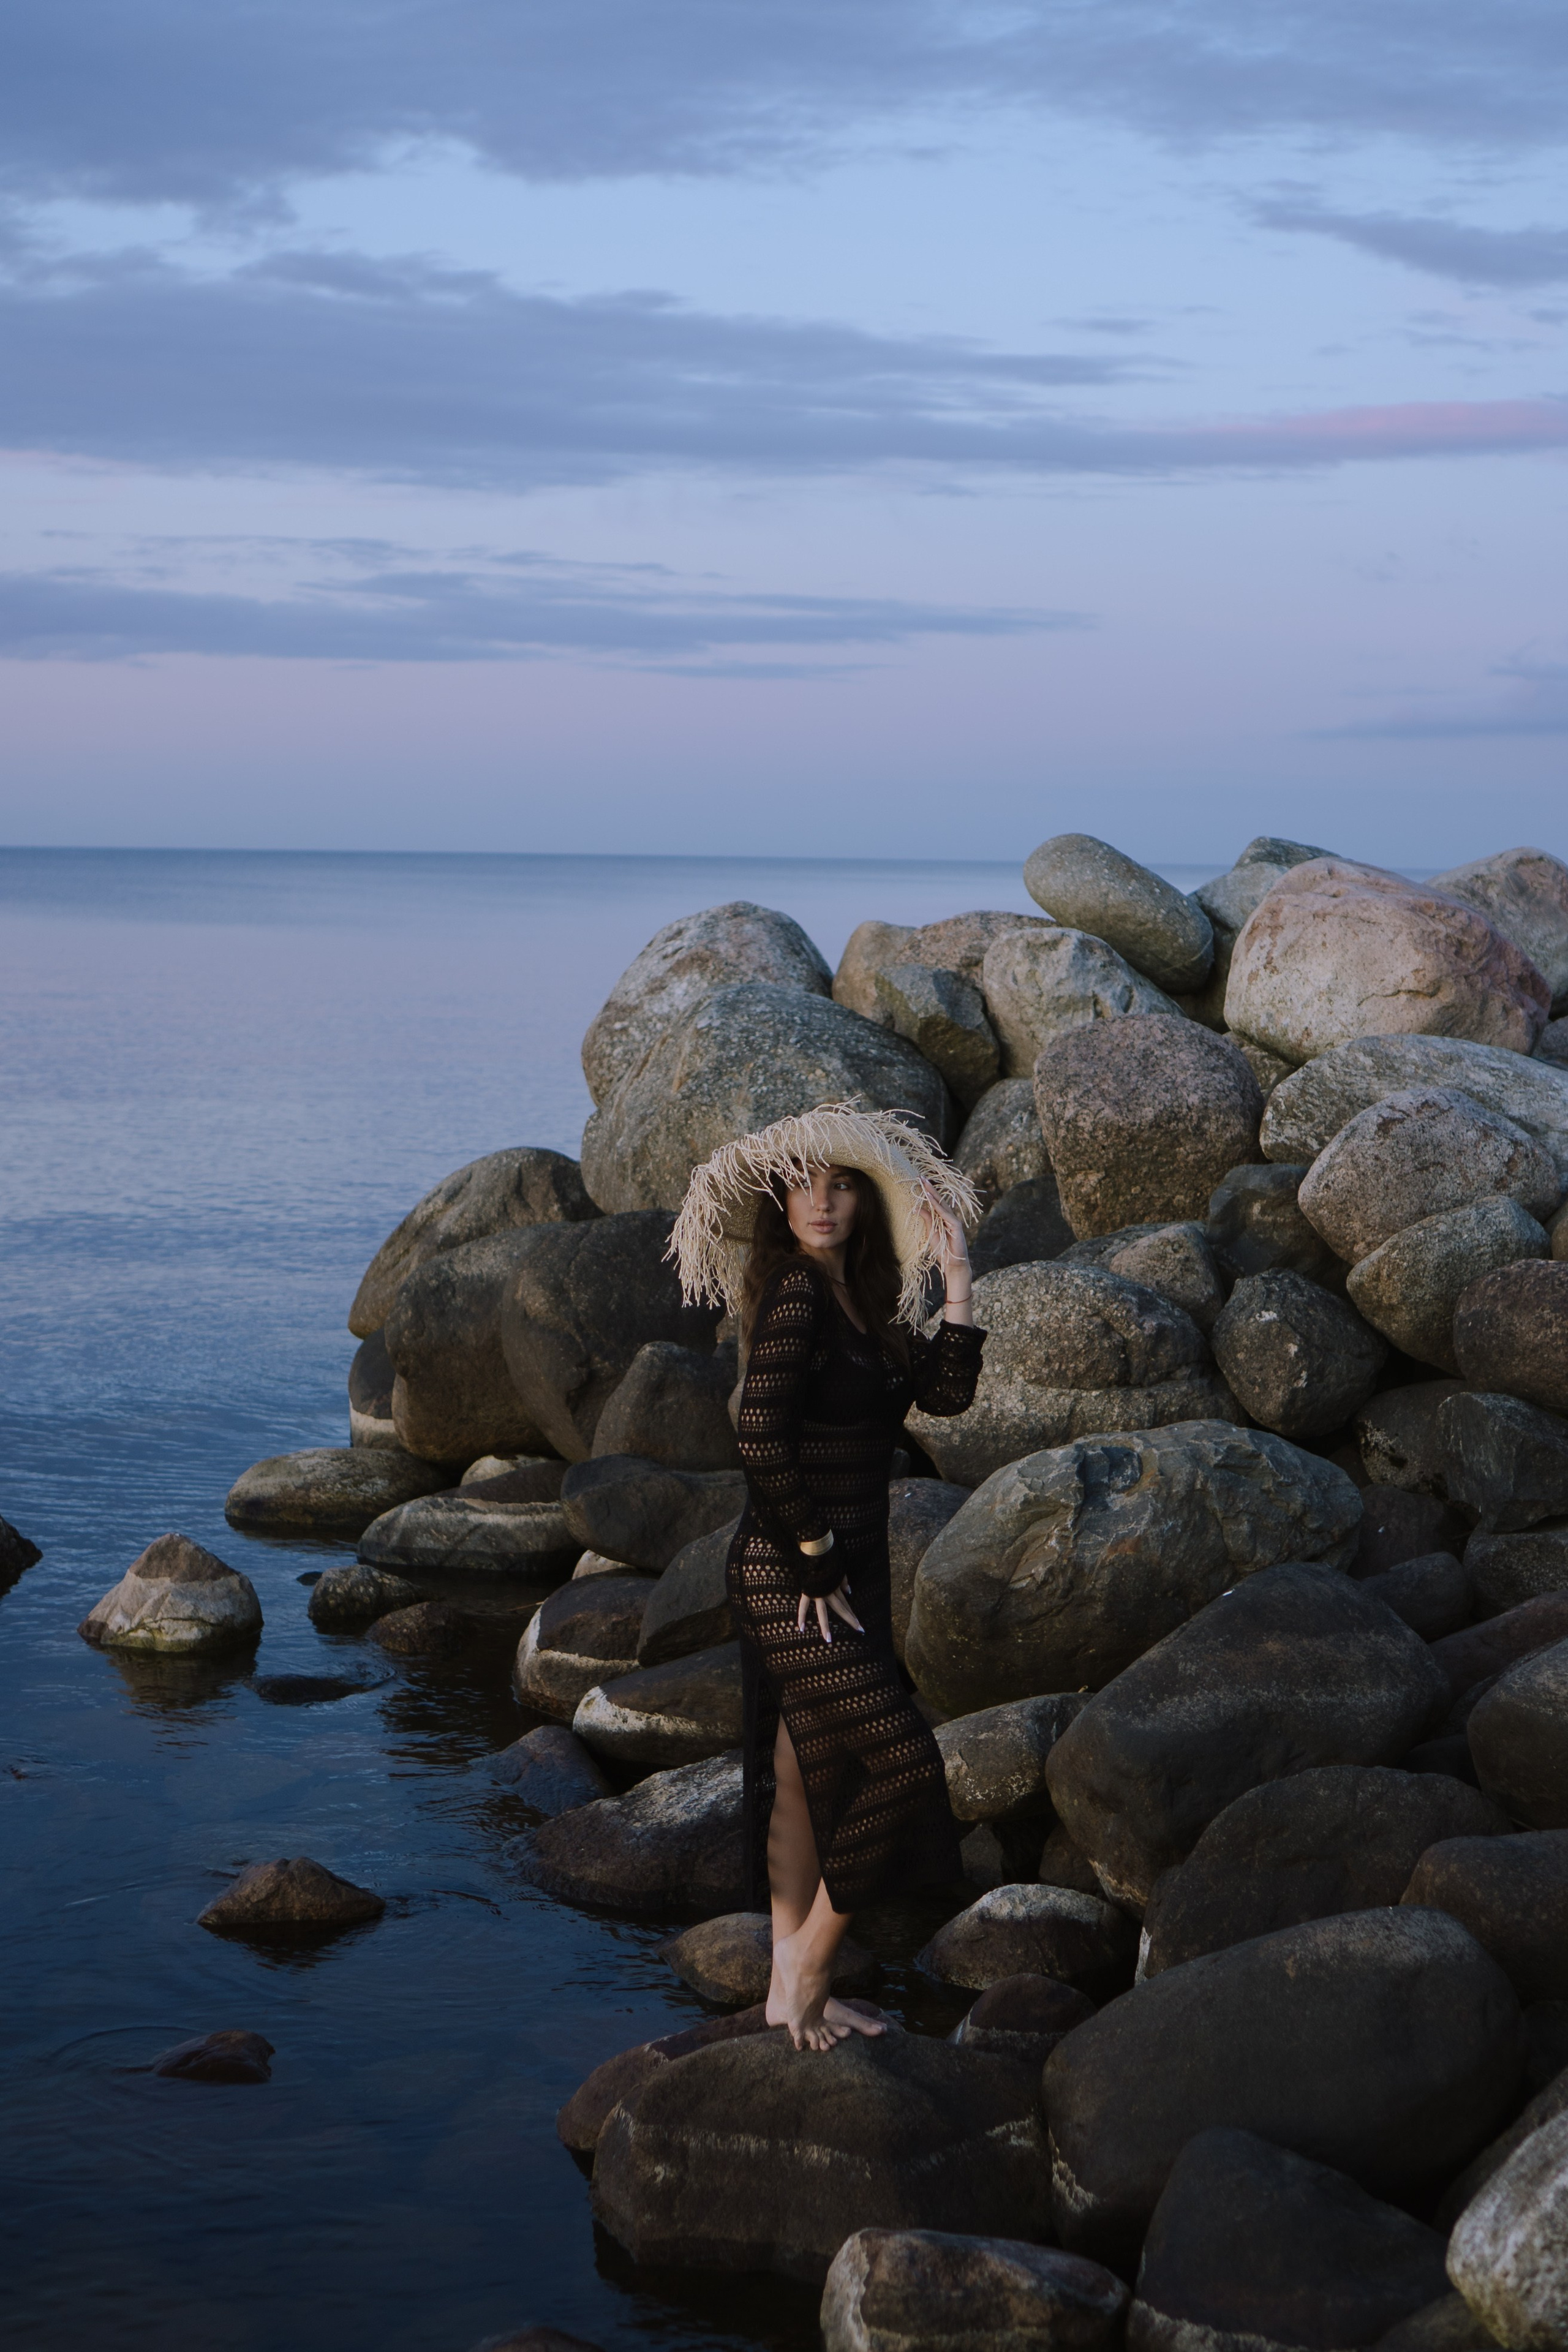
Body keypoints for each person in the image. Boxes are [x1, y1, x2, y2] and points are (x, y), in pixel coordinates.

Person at [670, 1104, 986, 2052]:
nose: (822, 1199)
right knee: (901, 1761)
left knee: (809, 1774)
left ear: (863, 1203)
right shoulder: (797, 1295)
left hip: (841, 1570)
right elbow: (758, 1434)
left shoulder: (866, 1304)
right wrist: (812, 1551)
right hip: (793, 1571)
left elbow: (946, 1394)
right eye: (804, 1183)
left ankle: (781, 1987)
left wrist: (959, 1279)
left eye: (841, 1183)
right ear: (778, 1200)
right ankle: (810, 1964)